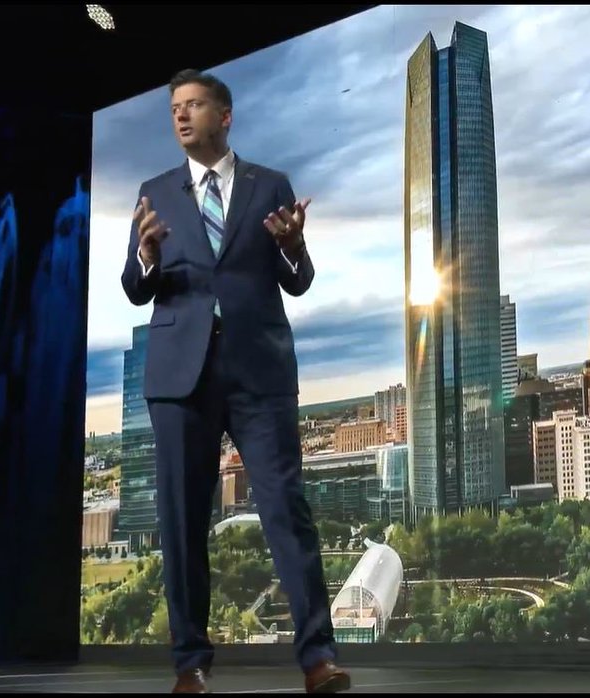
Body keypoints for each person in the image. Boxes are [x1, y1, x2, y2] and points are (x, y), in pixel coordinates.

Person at [120, 68, 350, 695]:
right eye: (174, 108)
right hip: (179, 377)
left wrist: (295, 247)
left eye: (193, 105)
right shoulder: (155, 191)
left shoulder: (269, 185)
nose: (181, 116)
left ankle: (318, 660)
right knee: (182, 521)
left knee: (285, 512)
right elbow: (136, 289)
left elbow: (296, 280)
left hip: (259, 372)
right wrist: (144, 258)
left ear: (225, 116)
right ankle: (189, 665)